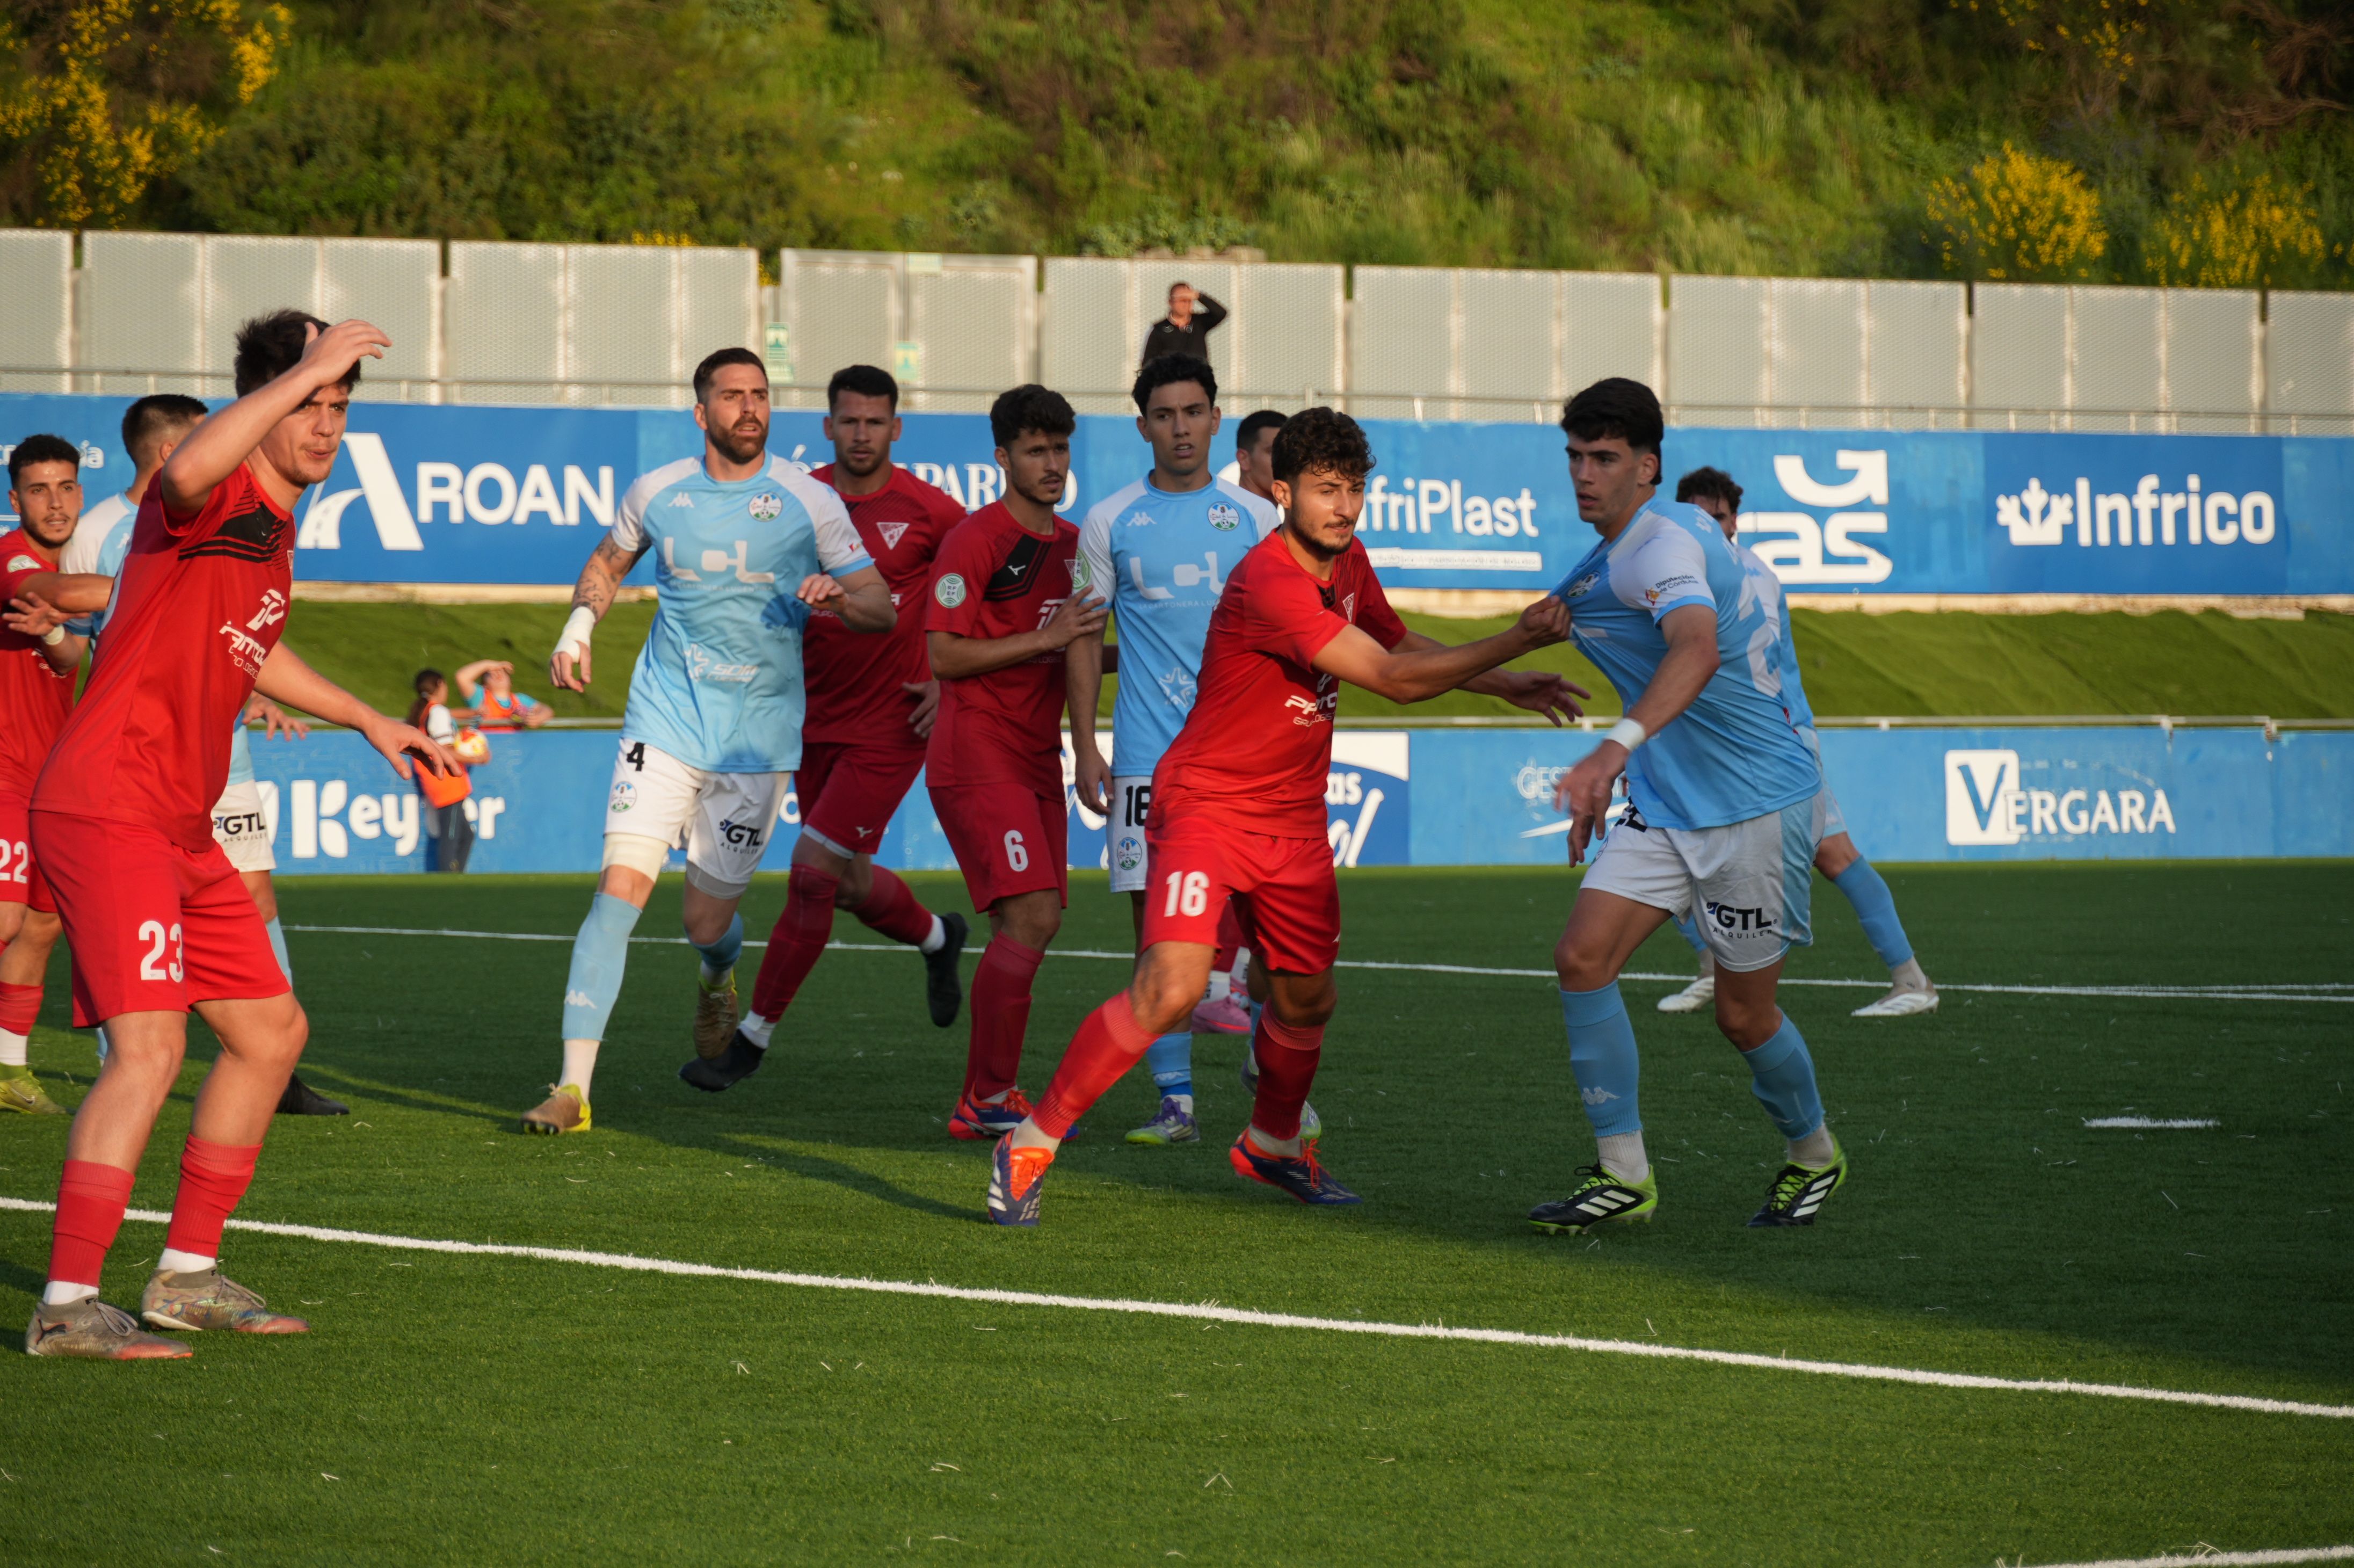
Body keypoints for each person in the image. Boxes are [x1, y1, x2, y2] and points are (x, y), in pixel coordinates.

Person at [985, 408, 1582, 1227]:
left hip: (1294, 823)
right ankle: (1030, 1141)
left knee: (1306, 1001)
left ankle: (1271, 1144)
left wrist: (1503, 684)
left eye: (1356, 490)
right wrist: (1514, 641)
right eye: (1326, 490)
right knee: (1172, 988)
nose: (1344, 506)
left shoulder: (1350, 562)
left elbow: (1397, 643)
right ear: (1280, 491)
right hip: (1208, 805)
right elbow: (1391, 680)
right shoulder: (1268, 578)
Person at [24, 309, 458, 1359]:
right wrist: (305, 367)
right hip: (108, 802)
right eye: (312, 401)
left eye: (340, 407)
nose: (326, 424)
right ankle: (68, 1302)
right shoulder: (205, 490)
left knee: (271, 1033)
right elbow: (178, 475)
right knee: (152, 1045)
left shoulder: (274, 524)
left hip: (178, 822)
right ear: (265, 400)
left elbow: (248, 645)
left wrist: (363, 714)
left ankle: (185, 1276)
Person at [525, 348, 892, 1135]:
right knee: (616, 897)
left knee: (703, 923)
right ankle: (573, 1089)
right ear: (702, 413)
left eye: (759, 395)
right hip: (663, 722)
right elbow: (609, 558)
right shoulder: (657, 493)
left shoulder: (810, 501)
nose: (749, 408)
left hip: (755, 744)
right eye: (732, 396)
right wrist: (580, 622)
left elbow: (881, 607)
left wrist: (838, 598)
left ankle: (718, 971)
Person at [1528, 379, 1848, 1240]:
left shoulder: (1658, 553)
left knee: (1743, 1015)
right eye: (1575, 457)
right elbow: (1551, 623)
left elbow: (1696, 647)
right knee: (1581, 957)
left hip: (1754, 807)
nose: (1584, 475)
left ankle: (1814, 1153)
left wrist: (1610, 748)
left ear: (1648, 466)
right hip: (1668, 803)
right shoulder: (1632, 548)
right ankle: (1623, 1173)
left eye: (1604, 459)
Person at [30, 397, 348, 1117]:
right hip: (131, 764)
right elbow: (87, 647)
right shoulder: (111, 528)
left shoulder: (261, 515)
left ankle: (272, 1061)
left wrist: (275, 697)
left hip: (217, 755)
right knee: (129, 1016)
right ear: (174, 448)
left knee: (257, 898)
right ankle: (122, 1047)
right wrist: (59, 626)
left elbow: (236, 634)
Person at [690, 364, 971, 1092]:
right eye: (848, 421)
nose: (861, 434)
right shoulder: (796, 496)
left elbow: (978, 587)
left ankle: (750, 1038)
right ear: (827, 426)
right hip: (804, 719)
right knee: (843, 882)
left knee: (811, 875)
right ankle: (940, 938)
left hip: (891, 723)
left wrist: (947, 678)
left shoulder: (933, 511)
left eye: (875, 422)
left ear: (896, 429)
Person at [1069, 355, 1280, 1147]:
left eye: (1194, 412)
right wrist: (1086, 744)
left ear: (1216, 420)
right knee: (1155, 932)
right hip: (1147, 761)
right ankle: (1176, 1104)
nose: (1181, 428)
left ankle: (1267, 1062)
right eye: (1165, 415)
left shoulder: (1258, 521)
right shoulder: (1112, 520)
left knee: (1265, 928)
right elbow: (1084, 638)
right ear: (1143, 427)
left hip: (1247, 759)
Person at [1656, 468, 1936, 1019]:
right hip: (1712, 745)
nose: (1709, 527)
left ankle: (1912, 981)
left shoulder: (1750, 577)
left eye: (1719, 517)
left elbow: (1730, 670)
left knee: (1833, 855)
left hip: (1777, 742)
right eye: (1698, 517)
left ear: (1734, 521)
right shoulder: (1681, 575)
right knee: (1670, 849)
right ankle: (1712, 969)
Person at [925, 384, 1106, 1141]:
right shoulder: (977, 539)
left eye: (1060, 449)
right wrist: (1045, 637)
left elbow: (1082, 648)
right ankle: (990, 1095)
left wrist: (1088, 745)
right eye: (1035, 450)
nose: (1052, 463)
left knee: (1036, 920)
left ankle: (983, 1098)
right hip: (977, 754)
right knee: (1031, 915)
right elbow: (942, 651)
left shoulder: (1075, 544)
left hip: (1037, 758)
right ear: (1002, 458)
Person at [1186, 405, 1295, 1040]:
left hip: (1271, 727)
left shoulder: (1286, 532)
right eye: (1274, 452)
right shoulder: (1234, 521)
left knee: (1264, 883)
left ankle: (1241, 1005)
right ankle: (1214, 990)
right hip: (1206, 729)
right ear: (1245, 458)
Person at [0, 435, 89, 1115]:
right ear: (15, 500)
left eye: (64, 487)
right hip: (4, 769)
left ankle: (7, 1072)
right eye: (38, 490)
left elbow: (66, 661)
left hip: (51, 778)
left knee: (41, 924)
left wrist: (60, 631)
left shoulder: (80, 562)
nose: (54, 503)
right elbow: (44, 593)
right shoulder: (13, 560)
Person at [409, 669, 476, 874]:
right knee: (452, 835)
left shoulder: (426, 710)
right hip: (446, 781)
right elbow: (445, 749)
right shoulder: (437, 712)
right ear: (440, 684)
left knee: (466, 835)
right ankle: (448, 879)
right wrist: (477, 758)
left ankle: (455, 876)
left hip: (438, 781)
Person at [1142, 282, 1226, 367]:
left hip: (1197, 377)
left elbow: (1221, 313)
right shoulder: (1159, 329)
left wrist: (1199, 296)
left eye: (1189, 300)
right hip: (1172, 378)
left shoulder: (1200, 322)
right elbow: (1148, 363)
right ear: (1170, 302)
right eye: (1182, 300)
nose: (1186, 304)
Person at [454, 659, 548, 731]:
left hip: (514, 751)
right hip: (486, 752)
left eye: (502, 671)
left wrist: (538, 718)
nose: (498, 674)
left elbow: (546, 710)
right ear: (485, 685)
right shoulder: (480, 696)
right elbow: (461, 677)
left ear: (511, 682)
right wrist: (488, 664)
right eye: (492, 673)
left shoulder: (520, 699)